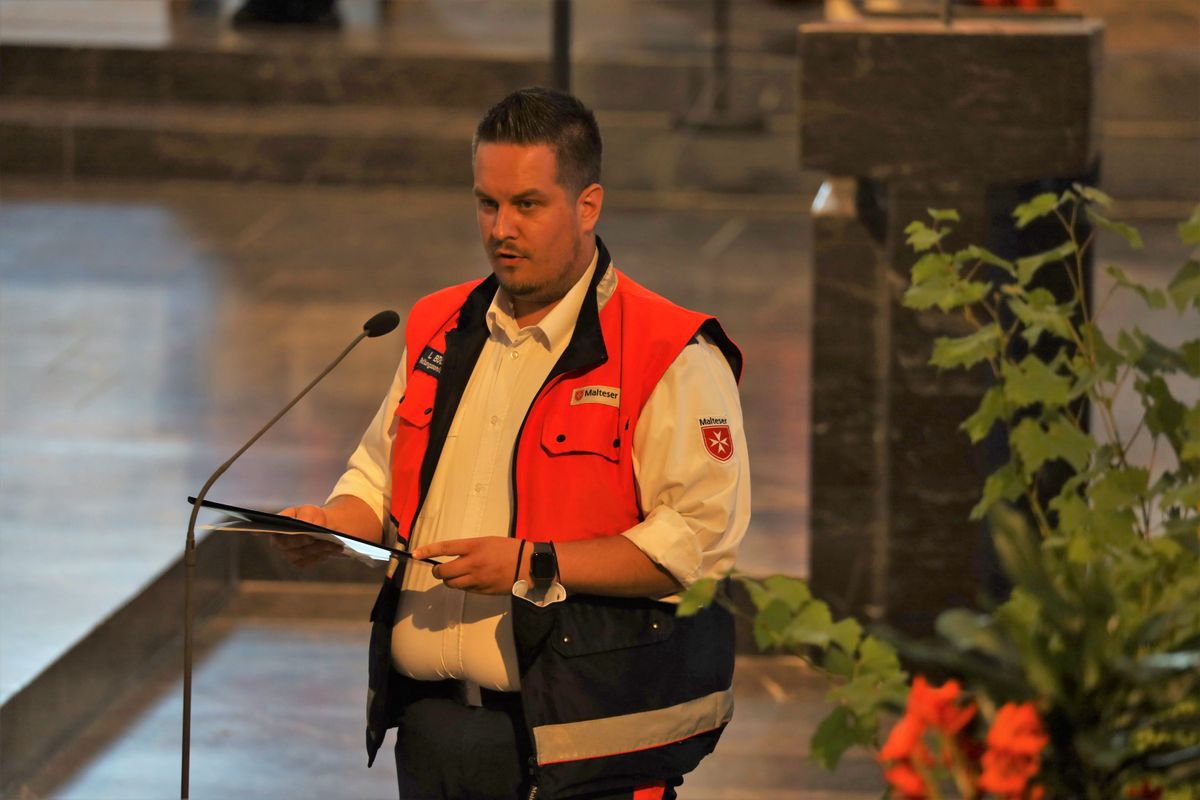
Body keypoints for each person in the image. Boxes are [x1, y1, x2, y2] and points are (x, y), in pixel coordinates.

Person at [275, 87, 750, 800]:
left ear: (587, 205)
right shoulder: (440, 325)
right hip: (432, 732)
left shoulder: (667, 351)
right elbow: (377, 474)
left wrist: (533, 563)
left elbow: (698, 546)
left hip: (580, 748)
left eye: (528, 205)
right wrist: (334, 526)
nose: (502, 228)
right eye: (487, 203)